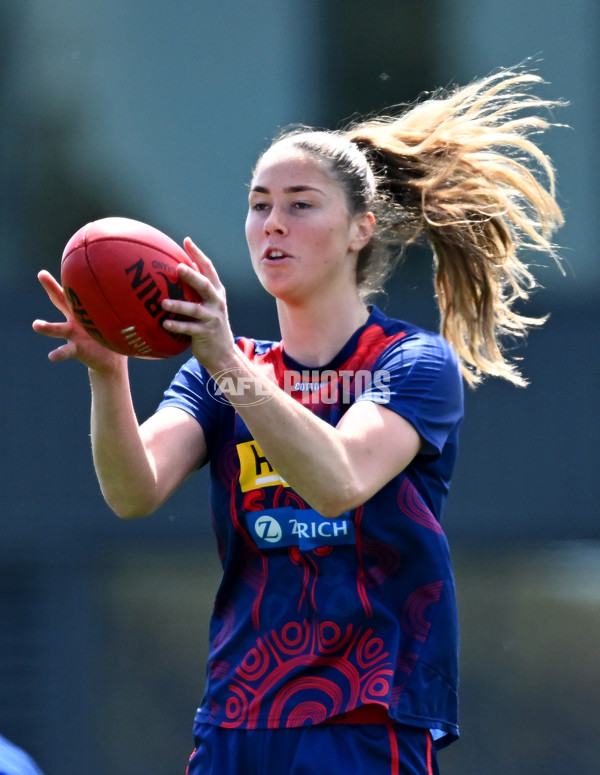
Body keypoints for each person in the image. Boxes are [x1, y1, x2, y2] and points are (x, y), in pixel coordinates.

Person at [33, 67, 563, 775]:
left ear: (359, 229)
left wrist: (223, 356)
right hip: (237, 714)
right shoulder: (223, 372)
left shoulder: (411, 363)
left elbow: (339, 478)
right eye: (258, 205)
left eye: (300, 204)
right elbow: (134, 492)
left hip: (368, 715)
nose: (272, 222)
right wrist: (111, 372)